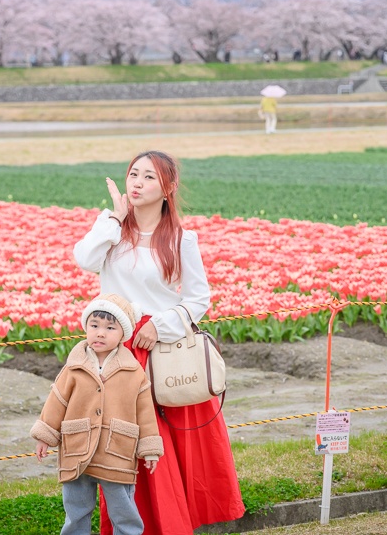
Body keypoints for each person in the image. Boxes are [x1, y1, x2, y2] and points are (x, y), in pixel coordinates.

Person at [73, 151, 245, 535]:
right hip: (117, 348)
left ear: (168, 188)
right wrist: (115, 219)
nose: (137, 183)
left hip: (161, 350)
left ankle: (171, 524)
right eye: (133, 174)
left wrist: (162, 325)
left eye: (149, 177)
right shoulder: (111, 229)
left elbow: (198, 299)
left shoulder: (182, 239)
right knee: (121, 441)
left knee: (163, 441)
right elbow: (83, 259)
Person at [31, 293, 163, 535]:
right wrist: (45, 436)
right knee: (76, 509)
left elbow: (145, 412)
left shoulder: (134, 372)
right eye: (94, 325)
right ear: (86, 327)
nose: (100, 332)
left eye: (110, 327)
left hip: (117, 452)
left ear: (123, 334)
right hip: (77, 450)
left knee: (124, 511)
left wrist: (150, 448)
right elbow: (56, 401)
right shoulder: (74, 366)